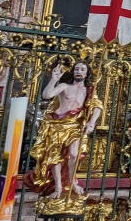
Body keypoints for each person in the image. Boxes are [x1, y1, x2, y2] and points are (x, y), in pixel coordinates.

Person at [25, 63, 103, 200]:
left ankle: (72, 183)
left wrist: (91, 123)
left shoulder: (89, 90)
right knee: (55, 156)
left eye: (83, 69)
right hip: (58, 124)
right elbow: (47, 95)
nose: (79, 71)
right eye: (77, 69)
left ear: (87, 73)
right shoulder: (65, 86)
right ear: (73, 72)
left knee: (74, 154)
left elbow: (98, 107)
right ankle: (59, 187)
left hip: (75, 126)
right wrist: (54, 79)